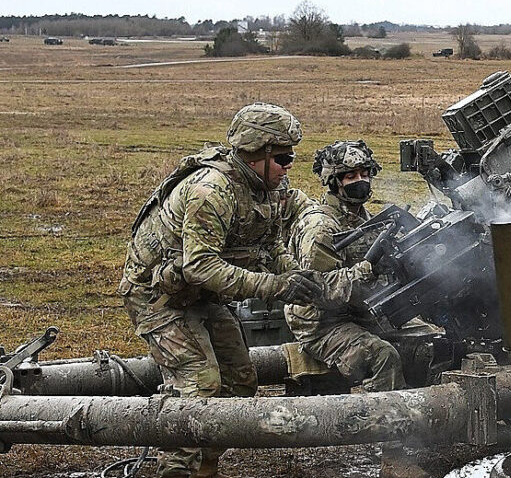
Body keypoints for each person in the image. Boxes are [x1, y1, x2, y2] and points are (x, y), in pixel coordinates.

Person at [118, 102, 324, 478]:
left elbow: (269, 248)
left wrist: (299, 278)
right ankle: (176, 471)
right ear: (257, 153)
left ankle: (205, 468)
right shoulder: (210, 191)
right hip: (157, 297)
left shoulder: (264, 187)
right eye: (283, 157)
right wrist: (276, 287)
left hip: (200, 294)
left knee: (241, 381)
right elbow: (200, 265)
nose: (289, 166)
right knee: (199, 386)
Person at [284, 140, 406, 392]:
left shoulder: (364, 218)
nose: (361, 181)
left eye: (365, 174)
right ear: (334, 181)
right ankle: (389, 424)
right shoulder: (320, 228)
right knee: (383, 356)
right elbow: (318, 292)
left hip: (361, 311)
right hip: (322, 324)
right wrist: (365, 272)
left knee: (428, 341)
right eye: (351, 176)